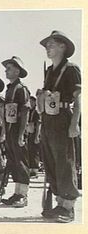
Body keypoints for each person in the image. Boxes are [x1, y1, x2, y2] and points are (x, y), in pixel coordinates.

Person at [37, 31, 81, 222]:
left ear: (63, 46)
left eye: (52, 44)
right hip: (48, 119)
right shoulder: (50, 71)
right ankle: (59, 202)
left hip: (63, 118)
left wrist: (74, 124)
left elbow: (78, 98)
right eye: (47, 45)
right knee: (51, 161)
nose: (48, 48)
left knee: (64, 161)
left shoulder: (71, 69)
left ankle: (69, 207)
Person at [0, 56, 30, 208]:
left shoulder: (21, 89)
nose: (6, 70)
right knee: (13, 161)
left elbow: (25, 112)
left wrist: (21, 134)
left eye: (9, 68)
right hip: (10, 130)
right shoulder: (9, 88)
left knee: (21, 161)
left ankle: (23, 195)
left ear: (17, 71)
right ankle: (17, 193)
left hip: (18, 130)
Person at [26, 96, 41, 179]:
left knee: (34, 152)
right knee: (29, 151)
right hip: (28, 133)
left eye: (32, 102)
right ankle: (30, 169)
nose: (30, 103)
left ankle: (34, 171)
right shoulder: (28, 111)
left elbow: (38, 124)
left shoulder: (36, 112)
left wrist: (37, 136)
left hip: (34, 133)